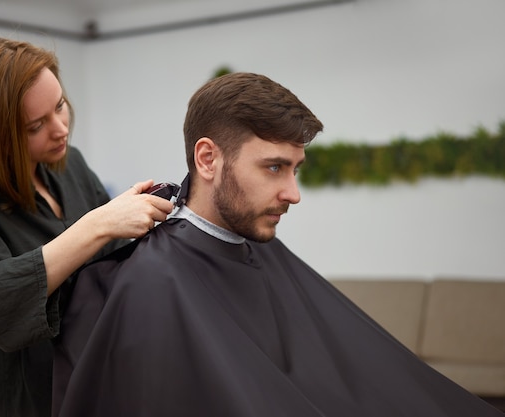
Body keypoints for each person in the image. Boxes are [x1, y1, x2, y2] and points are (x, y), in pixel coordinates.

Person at [53, 72, 502, 416]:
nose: (293, 192)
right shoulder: (154, 279)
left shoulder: (257, 245)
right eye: (273, 168)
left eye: (296, 169)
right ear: (207, 159)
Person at [0, 37, 173, 417]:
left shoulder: (70, 165)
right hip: (17, 398)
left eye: (60, 106)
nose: (60, 129)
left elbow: (112, 266)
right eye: (35, 126)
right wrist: (96, 225)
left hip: (88, 376)